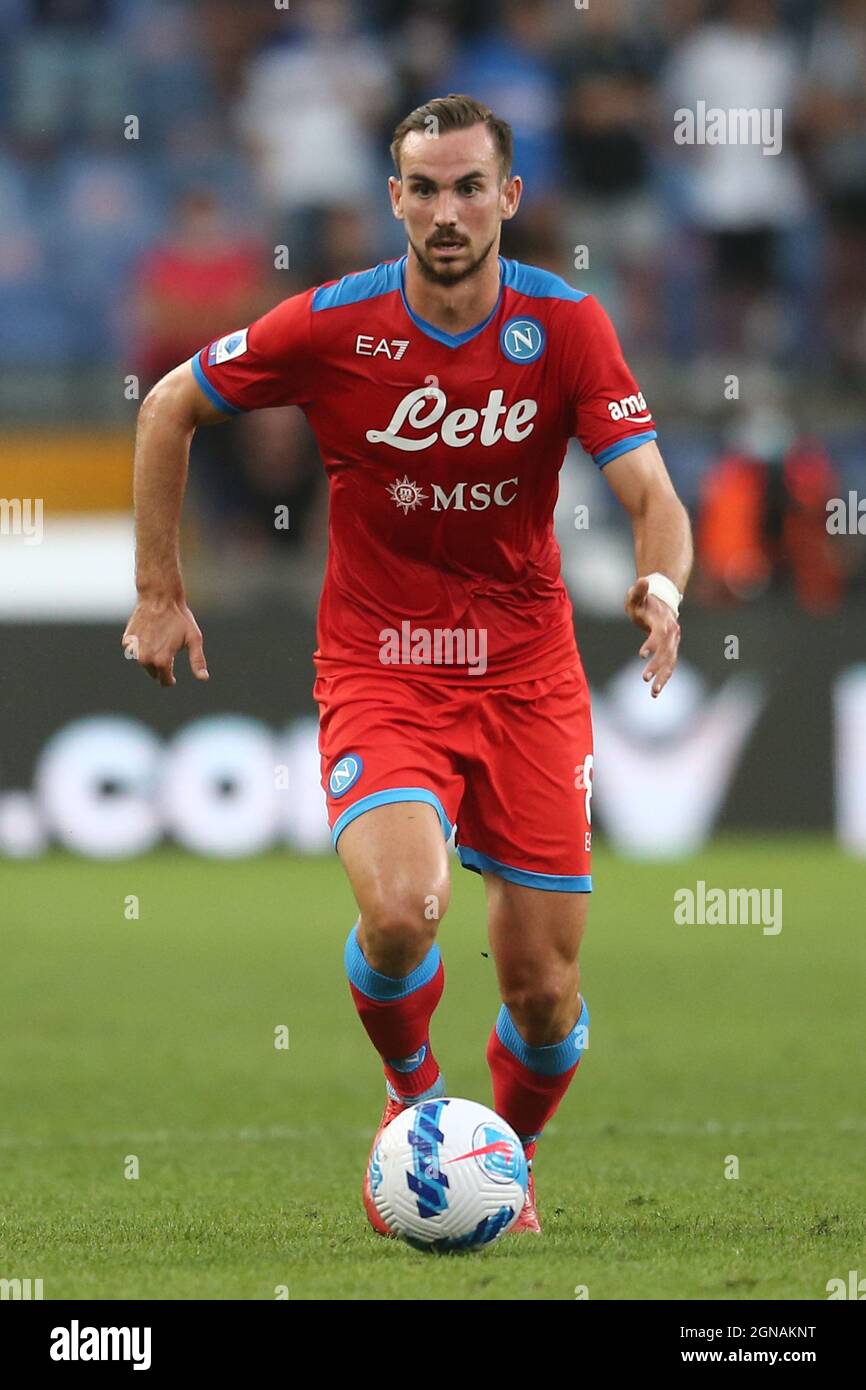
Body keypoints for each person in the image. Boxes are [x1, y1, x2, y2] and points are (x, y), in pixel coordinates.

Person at [122, 94, 692, 1236]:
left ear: (508, 197)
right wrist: (157, 592)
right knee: (401, 911)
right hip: (382, 665)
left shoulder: (566, 326)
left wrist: (662, 585)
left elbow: (651, 494)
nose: (446, 210)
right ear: (393, 200)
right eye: (423, 188)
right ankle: (417, 1100)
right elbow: (172, 406)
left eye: (468, 186)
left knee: (541, 991)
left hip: (529, 674)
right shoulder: (332, 325)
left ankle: (505, 1160)